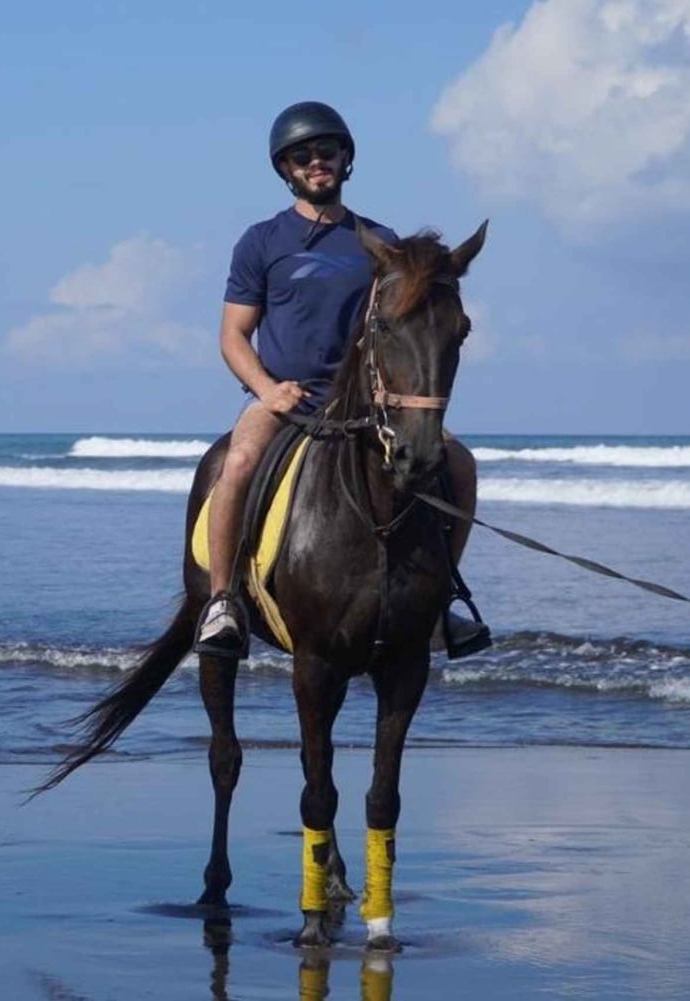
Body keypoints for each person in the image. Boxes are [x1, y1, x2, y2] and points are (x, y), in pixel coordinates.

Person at [194, 101, 489, 658]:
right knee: (235, 464)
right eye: (301, 157)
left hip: (368, 406)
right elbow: (234, 336)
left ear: (345, 159)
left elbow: (409, 327)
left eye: (325, 152)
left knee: (460, 464)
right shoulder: (262, 242)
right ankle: (223, 602)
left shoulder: (382, 242)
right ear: (286, 170)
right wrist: (266, 389)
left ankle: (440, 600)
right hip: (288, 399)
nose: (315, 163)